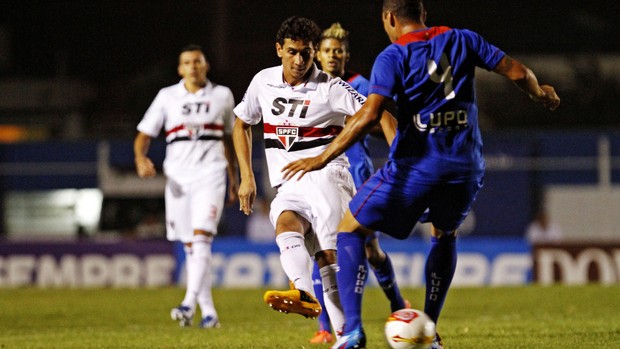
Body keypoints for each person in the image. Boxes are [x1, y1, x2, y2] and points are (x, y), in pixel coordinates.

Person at [281, 1, 561, 348]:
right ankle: (430, 328)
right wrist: (541, 93)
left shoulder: (392, 56)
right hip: (465, 166)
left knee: (350, 229)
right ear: (423, 13)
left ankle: (352, 330)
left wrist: (321, 157)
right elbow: (518, 72)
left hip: (416, 166)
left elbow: (370, 114)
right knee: (444, 235)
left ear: (389, 18)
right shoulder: (462, 38)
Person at [232, 16, 396, 339]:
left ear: (313, 54)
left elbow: (381, 115)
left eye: (306, 53)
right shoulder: (263, 82)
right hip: (289, 181)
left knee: (327, 258)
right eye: (292, 52)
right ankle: (304, 294)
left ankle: (347, 334)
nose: (299, 60)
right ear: (279, 49)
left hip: (327, 177)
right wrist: (246, 176)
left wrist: (400, 159)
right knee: (284, 223)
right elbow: (241, 123)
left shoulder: (331, 88)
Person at [309, 22, 406, 345]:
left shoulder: (361, 84)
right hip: (320, 176)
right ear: (317, 55)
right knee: (321, 248)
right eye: (327, 51)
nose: (333, 55)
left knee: (368, 248)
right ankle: (327, 326)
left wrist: (358, 125)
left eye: (338, 51)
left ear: (346, 55)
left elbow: (380, 120)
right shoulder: (309, 86)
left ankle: (395, 303)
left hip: (356, 173)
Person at [134, 44, 238, 329]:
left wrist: (234, 178)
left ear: (206, 66)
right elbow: (143, 135)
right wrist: (140, 158)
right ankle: (209, 313)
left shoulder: (222, 95)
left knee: (202, 237)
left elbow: (230, 139)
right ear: (180, 69)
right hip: (178, 180)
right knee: (192, 247)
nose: (193, 66)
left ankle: (188, 303)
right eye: (187, 62)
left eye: (198, 61)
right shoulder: (167, 96)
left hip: (212, 174)